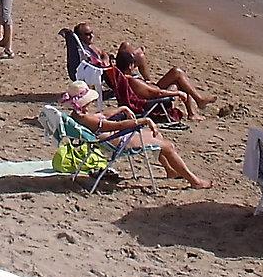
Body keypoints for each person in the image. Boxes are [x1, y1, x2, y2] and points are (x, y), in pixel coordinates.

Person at [59, 82, 214, 188]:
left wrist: (121, 109)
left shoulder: (78, 115)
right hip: (115, 142)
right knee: (168, 146)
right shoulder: (86, 118)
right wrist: (144, 120)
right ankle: (194, 181)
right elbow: (116, 125)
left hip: (108, 139)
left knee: (157, 137)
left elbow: (102, 116)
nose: (91, 103)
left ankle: (170, 170)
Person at [113, 41, 213, 119]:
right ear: (130, 66)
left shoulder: (120, 76)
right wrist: (177, 93)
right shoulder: (132, 81)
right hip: (153, 103)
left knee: (176, 73)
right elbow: (157, 93)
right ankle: (195, 108)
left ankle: (195, 107)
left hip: (150, 94)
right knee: (179, 80)